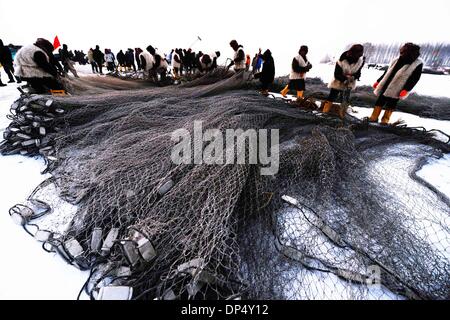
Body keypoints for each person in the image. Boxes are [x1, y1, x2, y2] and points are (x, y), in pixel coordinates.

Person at [369, 43, 423, 125]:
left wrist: (406, 89)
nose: (401, 53)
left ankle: (385, 120)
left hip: (398, 88)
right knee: (380, 101)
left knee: (391, 104)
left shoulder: (417, 64)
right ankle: (373, 117)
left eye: (403, 51)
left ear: (409, 52)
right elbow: (387, 72)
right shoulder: (397, 59)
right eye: (401, 51)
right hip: (386, 84)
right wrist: (378, 81)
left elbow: (415, 78)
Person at [322, 44, 365, 118]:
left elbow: (358, 73)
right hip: (338, 82)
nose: (358, 57)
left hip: (349, 84)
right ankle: (324, 112)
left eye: (360, 55)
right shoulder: (341, 60)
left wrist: (353, 77)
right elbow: (336, 74)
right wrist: (345, 79)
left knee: (345, 100)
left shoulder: (360, 62)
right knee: (331, 97)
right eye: (357, 54)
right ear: (353, 52)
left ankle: (342, 115)